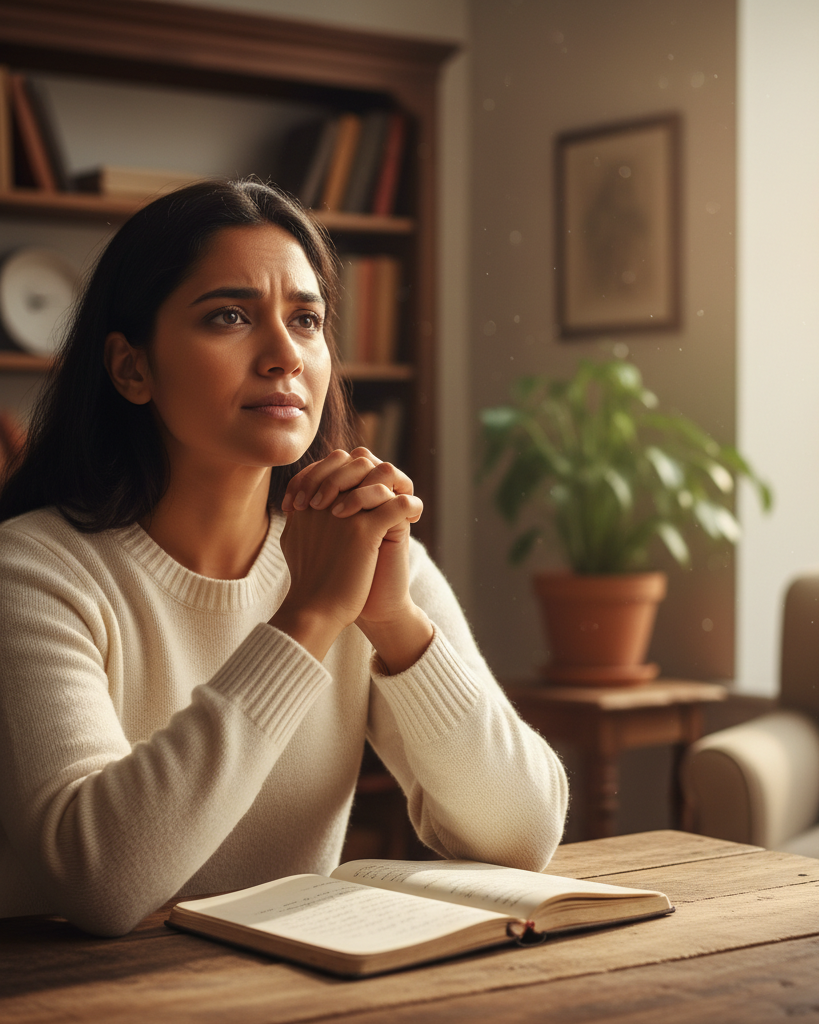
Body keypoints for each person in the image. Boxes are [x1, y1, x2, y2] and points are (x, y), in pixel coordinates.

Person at [0, 179, 567, 937]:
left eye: (306, 320)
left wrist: (394, 622)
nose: (283, 356)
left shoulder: (362, 556)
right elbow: (103, 883)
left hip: (290, 990)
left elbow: (523, 836)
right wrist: (309, 616)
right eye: (229, 316)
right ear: (132, 369)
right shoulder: (32, 570)